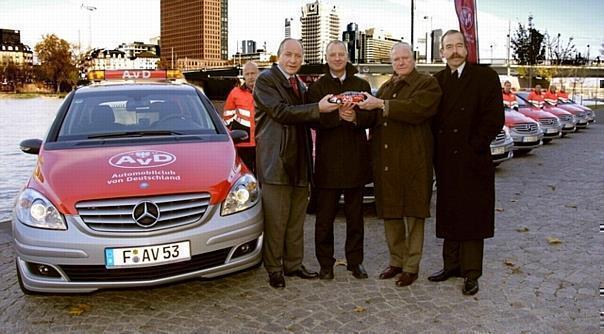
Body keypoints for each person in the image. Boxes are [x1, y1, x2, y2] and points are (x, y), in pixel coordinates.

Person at [253, 38, 339, 289]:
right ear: (277, 56)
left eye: (298, 56)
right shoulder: (266, 80)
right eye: (288, 55)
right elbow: (281, 112)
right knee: (276, 221)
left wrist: (335, 110)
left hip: (300, 162)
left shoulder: (300, 84)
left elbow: (307, 118)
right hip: (276, 162)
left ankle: (293, 264)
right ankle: (274, 267)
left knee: (295, 220)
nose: (293, 60)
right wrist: (318, 108)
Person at [356, 42, 442, 287]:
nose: (401, 63)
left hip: (414, 162)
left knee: (414, 215)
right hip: (386, 163)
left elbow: (417, 109)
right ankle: (396, 261)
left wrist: (381, 105)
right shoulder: (386, 86)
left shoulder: (427, 83)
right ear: (392, 63)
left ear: (413, 59)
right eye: (396, 60)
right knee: (390, 213)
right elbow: (374, 118)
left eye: (405, 58)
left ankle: (411, 266)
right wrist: (357, 113)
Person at [429, 30, 504, 296]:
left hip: (474, 160)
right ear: (442, 53)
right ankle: (451, 265)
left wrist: (474, 146)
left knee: (473, 216)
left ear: (467, 48)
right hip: (447, 161)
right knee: (449, 212)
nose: (455, 51)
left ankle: (471, 273)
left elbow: (495, 118)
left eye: (459, 45)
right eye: (449, 47)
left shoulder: (485, 77)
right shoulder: (436, 81)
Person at [307, 40, 372, 280]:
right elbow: (311, 119)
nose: (337, 58)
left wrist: (355, 118)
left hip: (355, 161)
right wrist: (337, 119)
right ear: (327, 58)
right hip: (327, 163)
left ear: (347, 56)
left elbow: (373, 117)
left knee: (356, 219)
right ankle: (326, 264)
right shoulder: (318, 87)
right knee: (324, 219)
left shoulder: (361, 85)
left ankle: (356, 262)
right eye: (332, 54)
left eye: (341, 54)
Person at [223, 61, 259, 172]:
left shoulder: (265, 92)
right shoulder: (235, 93)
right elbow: (227, 117)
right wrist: (232, 136)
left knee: (263, 176)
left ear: (258, 74)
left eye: (253, 73)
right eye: (247, 74)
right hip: (243, 143)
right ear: (243, 76)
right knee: (245, 175)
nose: (250, 77)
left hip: (262, 143)